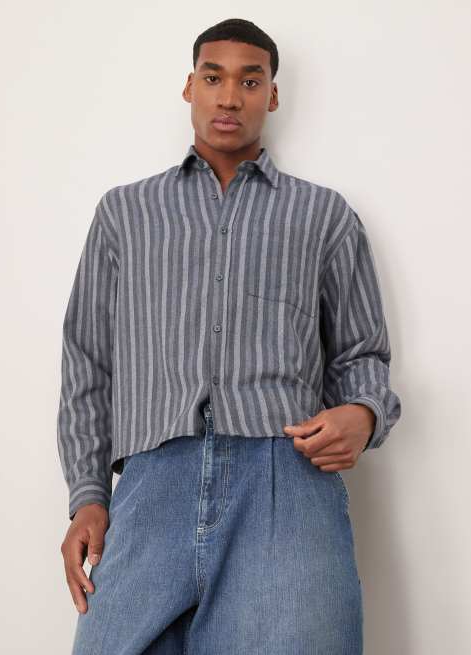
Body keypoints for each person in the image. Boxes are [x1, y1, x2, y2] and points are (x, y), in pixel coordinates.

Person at [57, 17, 401, 655]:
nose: (229, 97)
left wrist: (365, 412)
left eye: (250, 80)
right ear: (189, 87)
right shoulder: (125, 214)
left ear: (272, 94)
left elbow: (361, 354)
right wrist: (88, 495)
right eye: (213, 78)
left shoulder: (323, 215)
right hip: (151, 481)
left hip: (285, 487)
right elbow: (88, 362)